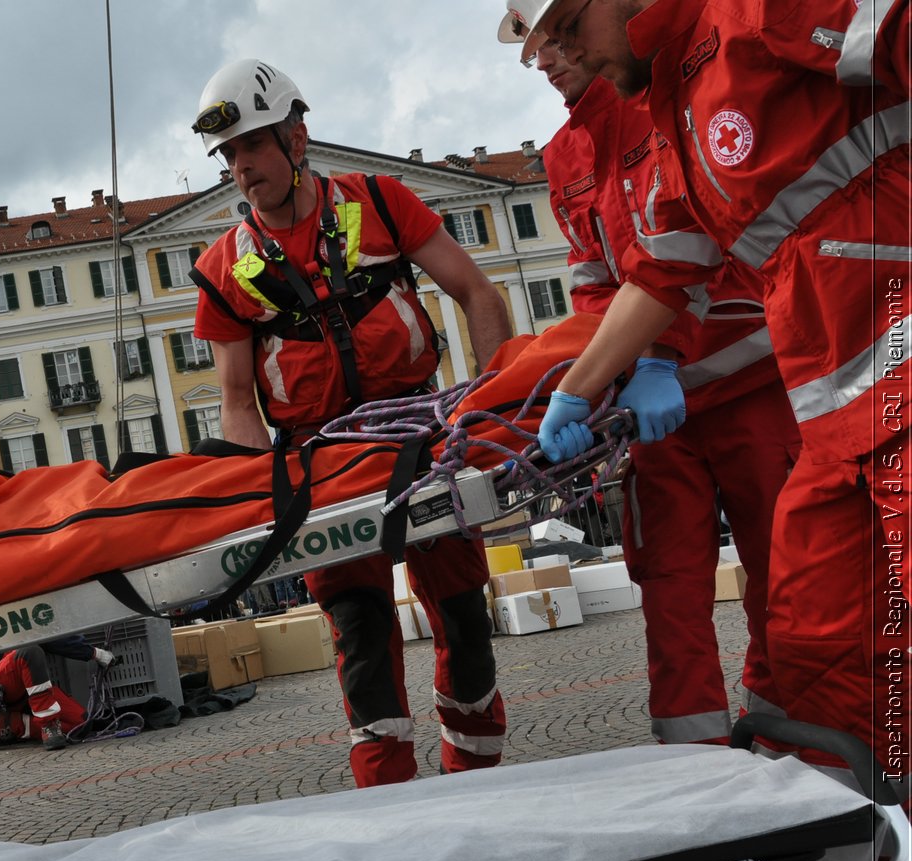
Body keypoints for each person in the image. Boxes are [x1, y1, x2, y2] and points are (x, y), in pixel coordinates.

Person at [521, 0, 908, 792]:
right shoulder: (669, 109)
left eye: (569, 29)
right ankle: (860, 850)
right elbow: (665, 266)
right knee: (809, 633)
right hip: (837, 410)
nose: (569, 57)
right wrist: (575, 391)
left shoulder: (757, 12)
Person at [189, 59, 515, 787]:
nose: (240, 168)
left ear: (296, 138)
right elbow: (239, 404)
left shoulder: (381, 202)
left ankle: (482, 784)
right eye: (229, 156)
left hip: (422, 439)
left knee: (463, 622)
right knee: (362, 637)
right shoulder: (224, 270)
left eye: (252, 147)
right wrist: (258, 512)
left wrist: (490, 415)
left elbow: (478, 296)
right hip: (321, 466)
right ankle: (390, 804)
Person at [499, 4, 801, 744]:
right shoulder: (565, 154)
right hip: (649, 413)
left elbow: (702, 251)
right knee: (667, 584)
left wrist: (660, 359)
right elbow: (597, 284)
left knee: (788, 577)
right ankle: (694, 766)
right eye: (539, 49)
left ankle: (798, 742)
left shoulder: (661, 102)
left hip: (748, 386)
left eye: (560, 37)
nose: (551, 57)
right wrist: (595, 387)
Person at [0, 638, 118, 751]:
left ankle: (13, 724)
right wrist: (96, 654)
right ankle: (49, 726)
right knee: (29, 652)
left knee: (80, 726)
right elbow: (52, 635)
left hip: (32, 687)